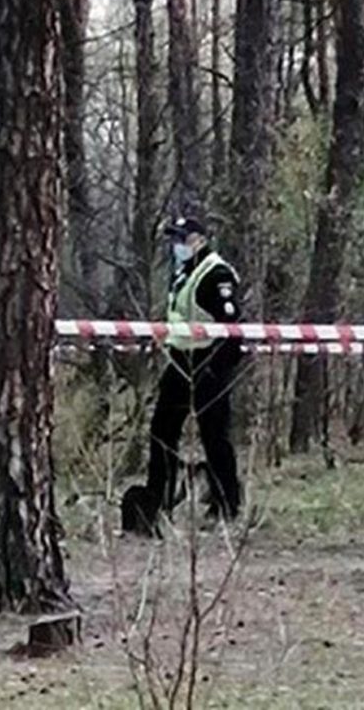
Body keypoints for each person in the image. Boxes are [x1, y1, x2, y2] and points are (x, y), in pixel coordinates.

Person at [142, 215, 243, 525]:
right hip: (179, 360)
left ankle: (226, 505)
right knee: (162, 432)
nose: (177, 246)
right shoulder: (184, 272)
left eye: (182, 239)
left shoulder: (216, 273)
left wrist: (217, 368)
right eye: (174, 239)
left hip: (208, 362)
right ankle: (157, 502)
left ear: (199, 240)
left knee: (214, 437)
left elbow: (231, 327)